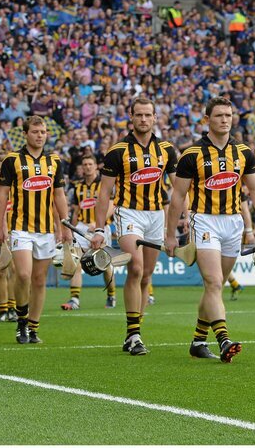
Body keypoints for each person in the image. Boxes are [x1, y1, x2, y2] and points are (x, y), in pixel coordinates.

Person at [165, 96, 255, 363]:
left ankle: (197, 340)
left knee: (213, 287)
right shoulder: (192, 154)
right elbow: (178, 198)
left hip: (233, 223)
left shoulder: (244, 152)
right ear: (207, 119)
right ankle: (224, 339)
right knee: (215, 282)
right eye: (218, 116)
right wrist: (171, 235)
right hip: (204, 220)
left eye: (228, 115)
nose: (224, 120)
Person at [89, 96, 177, 356]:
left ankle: (133, 332)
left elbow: (180, 187)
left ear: (154, 118)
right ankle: (134, 334)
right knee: (136, 268)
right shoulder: (118, 151)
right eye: (138, 115)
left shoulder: (166, 149)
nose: (143, 119)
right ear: (131, 117)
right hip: (128, 214)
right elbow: (104, 192)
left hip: (156, 215)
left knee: (147, 275)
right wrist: (99, 228)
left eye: (148, 115)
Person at [0, 116, 70, 344]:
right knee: (23, 274)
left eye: (43, 132)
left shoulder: (55, 161)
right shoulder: (12, 160)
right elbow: (2, 195)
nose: (39, 135)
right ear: (25, 133)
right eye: (35, 131)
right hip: (20, 228)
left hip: (46, 229)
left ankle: (33, 327)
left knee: (38, 280)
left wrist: (64, 225)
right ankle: (21, 321)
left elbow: (59, 196)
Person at [64, 153, 117, 310]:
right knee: (76, 262)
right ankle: (74, 299)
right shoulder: (77, 186)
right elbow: (75, 210)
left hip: (100, 228)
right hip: (81, 228)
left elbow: (112, 205)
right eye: (85, 164)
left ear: (96, 166)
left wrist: (97, 223)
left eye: (90, 164)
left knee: (104, 265)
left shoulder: (104, 184)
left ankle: (111, 295)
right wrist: (71, 230)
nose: (87, 167)